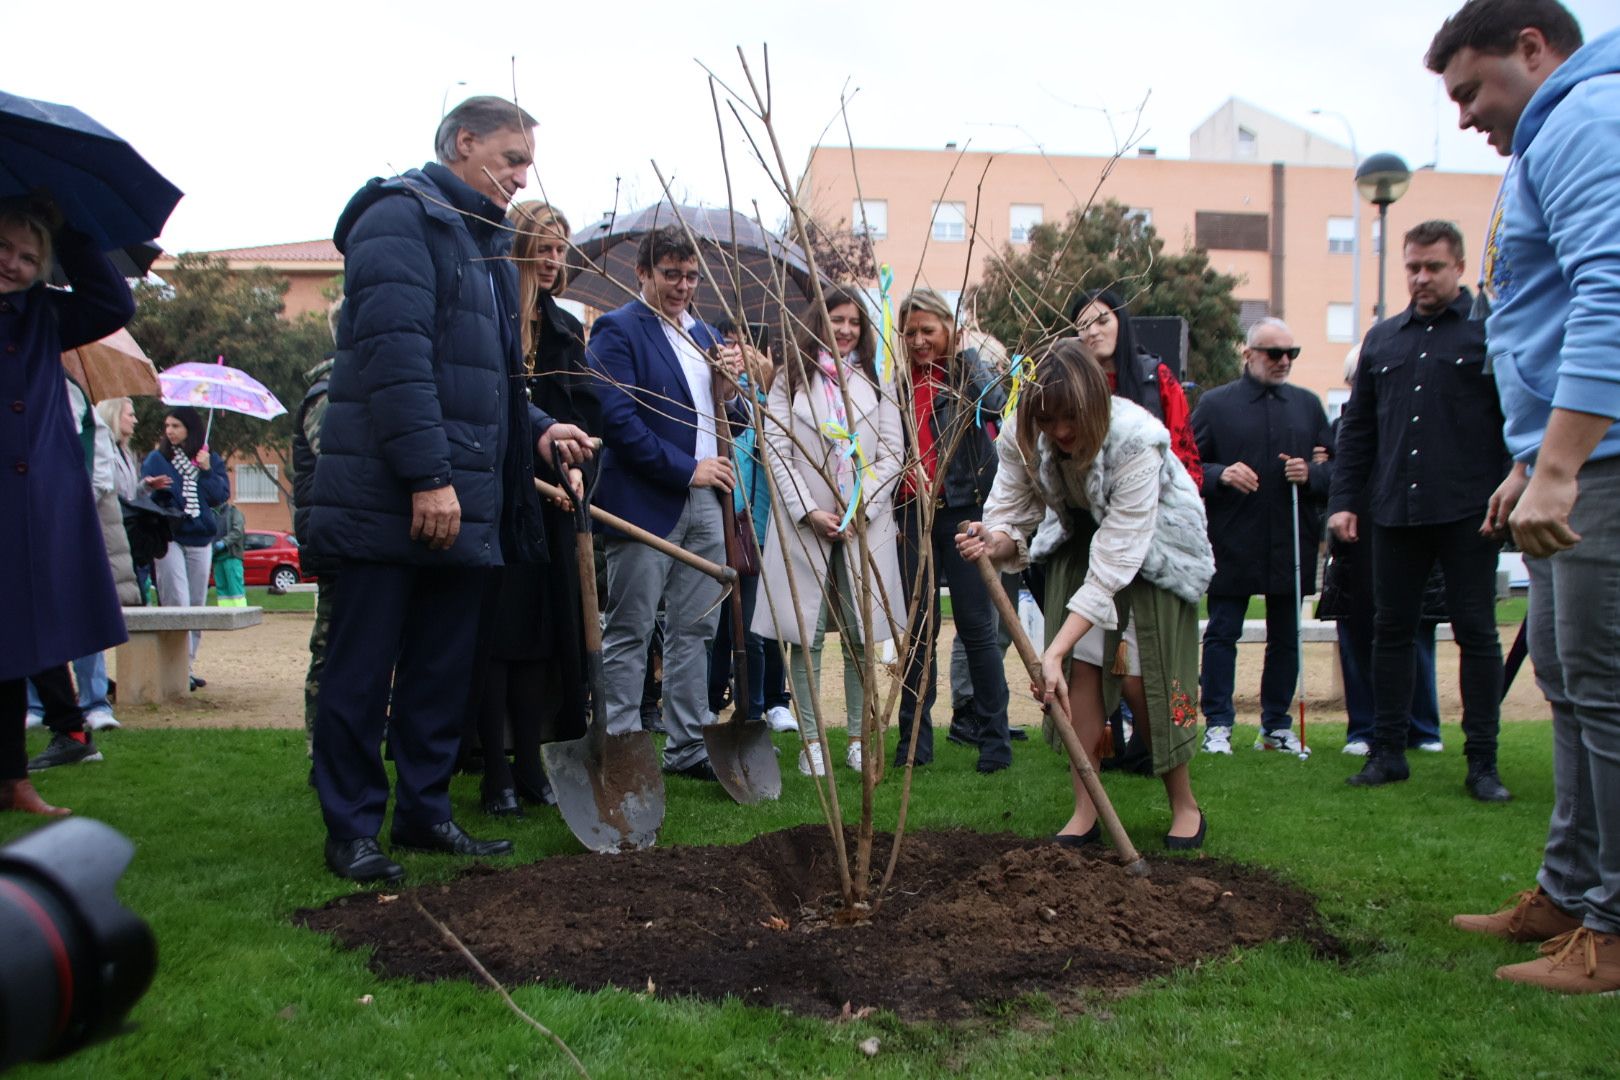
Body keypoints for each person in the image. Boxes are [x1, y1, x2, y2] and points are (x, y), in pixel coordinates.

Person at [305, 96, 590, 884]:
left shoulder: (487, 243)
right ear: (463, 142)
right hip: (391, 497)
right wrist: (428, 478)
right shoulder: (399, 220)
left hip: (465, 499)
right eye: (511, 159)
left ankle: (425, 812)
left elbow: (489, 376)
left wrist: (536, 426)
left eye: (525, 163)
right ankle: (352, 828)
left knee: (440, 671)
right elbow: (397, 361)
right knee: (363, 672)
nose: (520, 177)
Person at [1429, 0, 1620, 992]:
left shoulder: (1589, 118)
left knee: (1604, 694)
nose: (1464, 114)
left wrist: (1562, 466)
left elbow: (1610, 292)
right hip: (1571, 456)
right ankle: (1570, 891)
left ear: (1534, 49)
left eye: (1472, 90)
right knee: (1569, 681)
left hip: (1602, 466)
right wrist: (1525, 458)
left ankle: (1615, 929)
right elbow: (1541, 320)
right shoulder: (1553, 132)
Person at [959, 338, 1213, 846]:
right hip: (1080, 536)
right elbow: (1011, 513)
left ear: (1096, 402)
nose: (1060, 431)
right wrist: (995, 537)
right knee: (1081, 677)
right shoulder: (1025, 432)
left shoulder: (1136, 440)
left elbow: (1118, 557)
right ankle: (1086, 810)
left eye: (1070, 418)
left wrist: (1051, 649)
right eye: (1049, 420)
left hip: (1155, 548)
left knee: (1149, 681)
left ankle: (1185, 806)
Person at [1328, 221, 1511, 799]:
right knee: (1390, 630)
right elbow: (1357, 432)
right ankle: (1387, 753)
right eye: (1412, 266)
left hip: (1468, 510)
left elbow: (1511, 423)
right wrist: (1344, 504)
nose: (1421, 277)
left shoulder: (1487, 336)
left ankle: (1482, 762)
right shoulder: (1383, 340)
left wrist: (1513, 491)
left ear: (1458, 268)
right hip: (1393, 511)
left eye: (1433, 266)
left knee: (1477, 632)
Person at [586, 225, 746, 783]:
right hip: (644, 502)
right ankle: (622, 745)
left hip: (707, 501)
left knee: (695, 629)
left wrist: (727, 389)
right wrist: (686, 468)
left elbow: (730, 416)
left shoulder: (704, 334)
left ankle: (687, 745)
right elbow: (618, 421)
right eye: (671, 274)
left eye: (691, 275)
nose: (683, 285)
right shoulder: (617, 331)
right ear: (643, 274)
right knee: (630, 628)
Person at [0, 195, 135, 816]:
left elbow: (114, 304)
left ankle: (12, 780)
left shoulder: (46, 314)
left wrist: (72, 229)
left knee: (17, 641)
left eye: (29, 256)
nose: (14, 264)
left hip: (32, 501)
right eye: (3, 248)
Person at [472, 200, 598, 815]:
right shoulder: (486, 320)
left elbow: (584, 411)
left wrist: (575, 458)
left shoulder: (564, 331)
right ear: (517, 245)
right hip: (489, 504)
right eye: (543, 246)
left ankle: (532, 767)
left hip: (547, 509)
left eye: (560, 250)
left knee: (540, 640)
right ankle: (493, 773)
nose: (553, 260)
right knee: (493, 639)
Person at [751, 288, 905, 776]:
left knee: (861, 636)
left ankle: (858, 738)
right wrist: (808, 510)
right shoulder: (790, 381)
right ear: (819, 320)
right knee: (806, 635)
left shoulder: (876, 382)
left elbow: (893, 453)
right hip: (807, 528)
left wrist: (864, 505)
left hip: (864, 526)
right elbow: (776, 450)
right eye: (837, 319)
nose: (845, 330)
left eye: (854, 322)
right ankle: (812, 743)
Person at [1191, 317, 1332, 756]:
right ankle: (1217, 724)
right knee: (1222, 632)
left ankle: (1275, 726)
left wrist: (1311, 474)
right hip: (1232, 537)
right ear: (1249, 354)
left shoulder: (1308, 406)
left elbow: (1337, 470)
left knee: (1287, 636)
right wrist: (1220, 474)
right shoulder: (1215, 405)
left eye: (1292, 353)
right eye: (1274, 353)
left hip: (1290, 539)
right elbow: (1186, 466)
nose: (1284, 361)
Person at [892, 289, 1013, 773]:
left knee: (977, 628)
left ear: (948, 330)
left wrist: (964, 352)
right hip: (912, 516)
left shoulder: (966, 377)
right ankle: (913, 747)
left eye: (929, 330)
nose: (920, 341)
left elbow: (997, 405)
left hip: (964, 511)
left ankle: (994, 743)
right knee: (919, 632)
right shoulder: (898, 387)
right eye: (911, 333)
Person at [1318, 352, 1444, 757]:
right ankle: (1364, 729)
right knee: (1355, 638)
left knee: (1416, 634)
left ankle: (1422, 728)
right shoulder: (1340, 430)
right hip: (1356, 548)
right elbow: (1329, 481)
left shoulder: (1418, 428)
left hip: (1410, 542)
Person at [709, 316, 794, 739]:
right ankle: (713, 702)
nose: (735, 352)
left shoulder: (765, 404)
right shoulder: (711, 404)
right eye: (727, 344)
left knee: (759, 625)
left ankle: (761, 707)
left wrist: (756, 391)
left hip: (758, 529)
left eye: (742, 345)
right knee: (723, 623)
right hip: (723, 522)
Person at [142, 404, 228, 688]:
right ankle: (172, 666)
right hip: (169, 537)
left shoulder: (208, 459)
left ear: (190, 429)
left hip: (200, 537)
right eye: (167, 426)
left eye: (176, 426)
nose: (170, 431)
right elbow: (146, 495)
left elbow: (218, 497)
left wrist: (205, 471)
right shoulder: (157, 459)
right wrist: (152, 488)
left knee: (196, 605)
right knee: (176, 600)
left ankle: (186, 666)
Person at [291, 302, 339, 759]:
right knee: (329, 649)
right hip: (334, 537)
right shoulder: (325, 393)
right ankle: (319, 749)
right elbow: (337, 453)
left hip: (348, 533)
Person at [212, 498, 248, 607]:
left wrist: (224, 542)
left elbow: (238, 531)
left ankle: (240, 611)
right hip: (217, 557)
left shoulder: (234, 513)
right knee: (221, 588)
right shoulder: (212, 514)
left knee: (235, 587)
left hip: (231, 555)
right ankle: (225, 613)